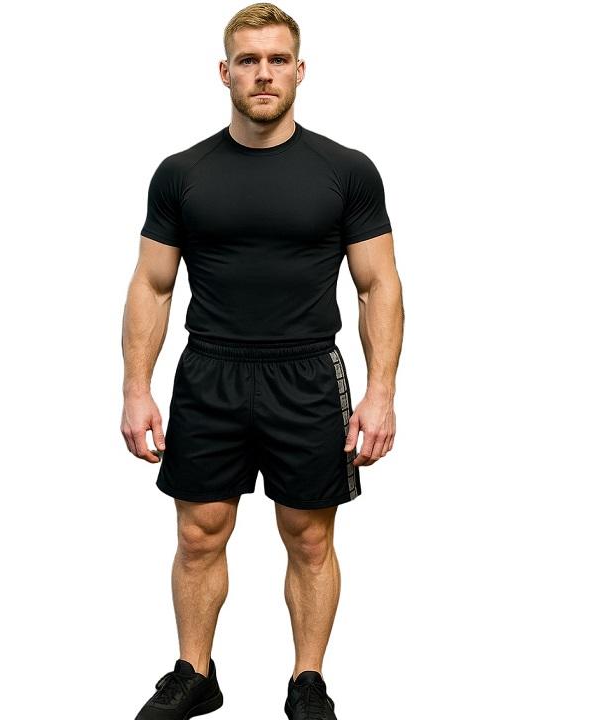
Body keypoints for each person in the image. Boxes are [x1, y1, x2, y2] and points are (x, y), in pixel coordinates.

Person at [121, 3, 404, 718]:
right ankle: (195, 673)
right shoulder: (181, 172)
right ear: (224, 72)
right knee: (198, 533)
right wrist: (135, 388)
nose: (264, 73)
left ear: (300, 70)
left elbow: (378, 284)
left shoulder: (346, 171)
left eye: (278, 59)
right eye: (248, 60)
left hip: (306, 373)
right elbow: (153, 285)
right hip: (209, 371)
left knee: (308, 537)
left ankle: (307, 682)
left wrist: (381, 393)